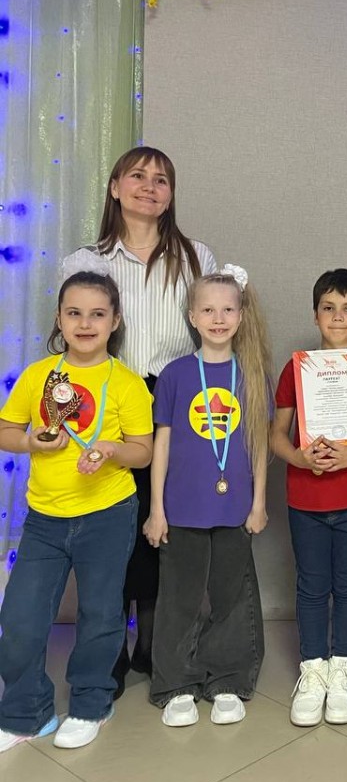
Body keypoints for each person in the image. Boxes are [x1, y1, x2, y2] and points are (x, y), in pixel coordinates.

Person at [63, 146, 216, 692]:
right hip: (110, 402)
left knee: (161, 520)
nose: (149, 187)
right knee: (112, 524)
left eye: (161, 180)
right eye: (138, 176)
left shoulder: (197, 257)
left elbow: (215, 330)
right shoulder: (86, 260)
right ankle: (109, 644)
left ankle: (153, 642)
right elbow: (76, 336)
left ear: (171, 195)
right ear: (115, 187)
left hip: (175, 400)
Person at [0, 272, 153, 753]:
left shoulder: (127, 383)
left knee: (100, 615)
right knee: (20, 618)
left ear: (115, 321)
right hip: (45, 519)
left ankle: (91, 704)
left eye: (97, 314)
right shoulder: (38, 376)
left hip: (108, 514)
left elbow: (143, 451)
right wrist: (30, 441)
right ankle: (26, 712)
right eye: (74, 313)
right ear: (59, 319)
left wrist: (111, 450)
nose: (85, 324)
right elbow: (7, 431)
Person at [143, 267, 272, 727]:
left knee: (231, 596)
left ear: (241, 315)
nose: (219, 319)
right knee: (179, 597)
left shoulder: (252, 375)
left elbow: (259, 443)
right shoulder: (175, 375)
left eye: (228, 309)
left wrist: (258, 503)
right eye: (208, 310)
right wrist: (156, 510)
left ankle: (228, 679)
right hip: (181, 508)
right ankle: (176, 682)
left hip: (235, 508)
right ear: (192, 316)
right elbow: (161, 445)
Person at [271, 269, 347, 727]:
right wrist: (300, 459)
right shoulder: (296, 368)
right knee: (310, 584)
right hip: (305, 497)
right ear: (315, 314)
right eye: (328, 308)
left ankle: (343, 668)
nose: (338, 317)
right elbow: (276, 434)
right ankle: (313, 669)